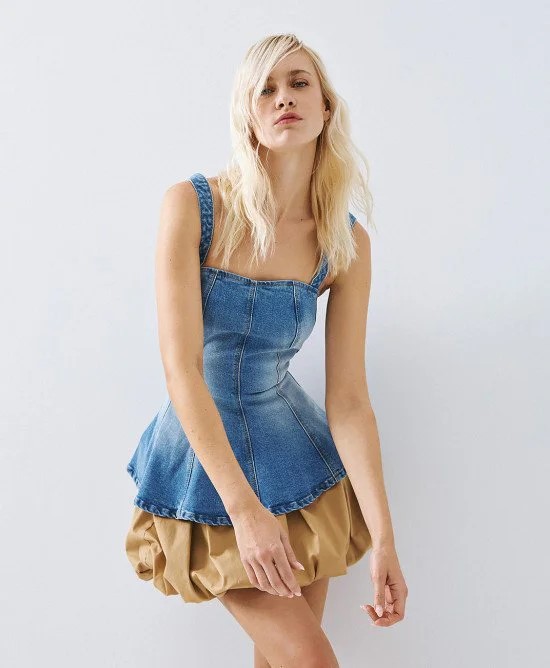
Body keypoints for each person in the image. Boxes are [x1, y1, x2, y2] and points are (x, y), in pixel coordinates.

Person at [124, 33, 408, 667]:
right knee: (312, 660)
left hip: (299, 461)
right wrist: (245, 512)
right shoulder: (193, 206)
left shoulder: (345, 243)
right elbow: (182, 369)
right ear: (247, 115)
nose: (284, 98)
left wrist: (386, 539)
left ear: (326, 108)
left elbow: (349, 400)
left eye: (300, 83)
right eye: (266, 89)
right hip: (205, 467)